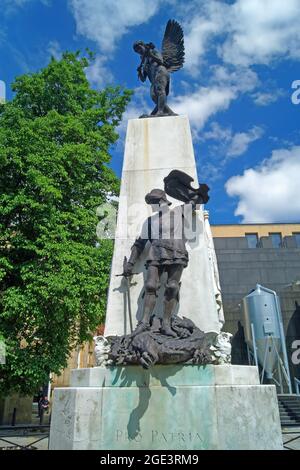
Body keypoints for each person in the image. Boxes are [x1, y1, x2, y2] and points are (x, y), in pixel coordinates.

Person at [124, 188, 193, 337]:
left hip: (176, 253)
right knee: (150, 286)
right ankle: (143, 323)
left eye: (154, 202)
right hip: (155, 253)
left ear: (162, 201)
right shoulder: (150, 222)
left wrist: (175, 185)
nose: (152, 206)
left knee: (172, 287)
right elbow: (139, 244)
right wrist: (130, 263)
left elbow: (196, 199)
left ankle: (166, 324)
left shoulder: (180, 212)